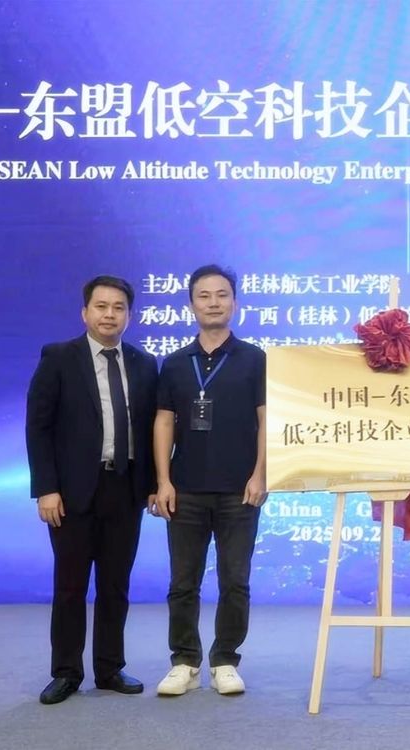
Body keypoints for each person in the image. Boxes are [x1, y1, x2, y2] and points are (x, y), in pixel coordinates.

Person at [26, 275, 159, 705]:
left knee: (115, 585)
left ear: (129, 315)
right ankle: (66, 672)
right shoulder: (59, 358)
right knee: (70, 586)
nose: (109, 315)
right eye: (101, 306)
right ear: (85, 312)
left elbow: (150, 429)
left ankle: (110, 668)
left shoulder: (143, 363)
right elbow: (38, 427)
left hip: (125, 488)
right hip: (72, 492)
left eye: (119, 307)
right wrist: (46, 488)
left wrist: (153, 485)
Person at [151, 264, 267, 697]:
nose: (213, 303)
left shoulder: (255, 359)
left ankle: (225, 660)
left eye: (222, 295)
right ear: (191, 304)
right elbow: (164, 422)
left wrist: (261, 473)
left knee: (235, 581)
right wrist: (163, 480)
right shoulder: (175, 363)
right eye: (204, 295)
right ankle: (184, 661)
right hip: (186, 488)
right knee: (183, 582)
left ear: (234, 302)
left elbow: (266, 420)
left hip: (241, 489)